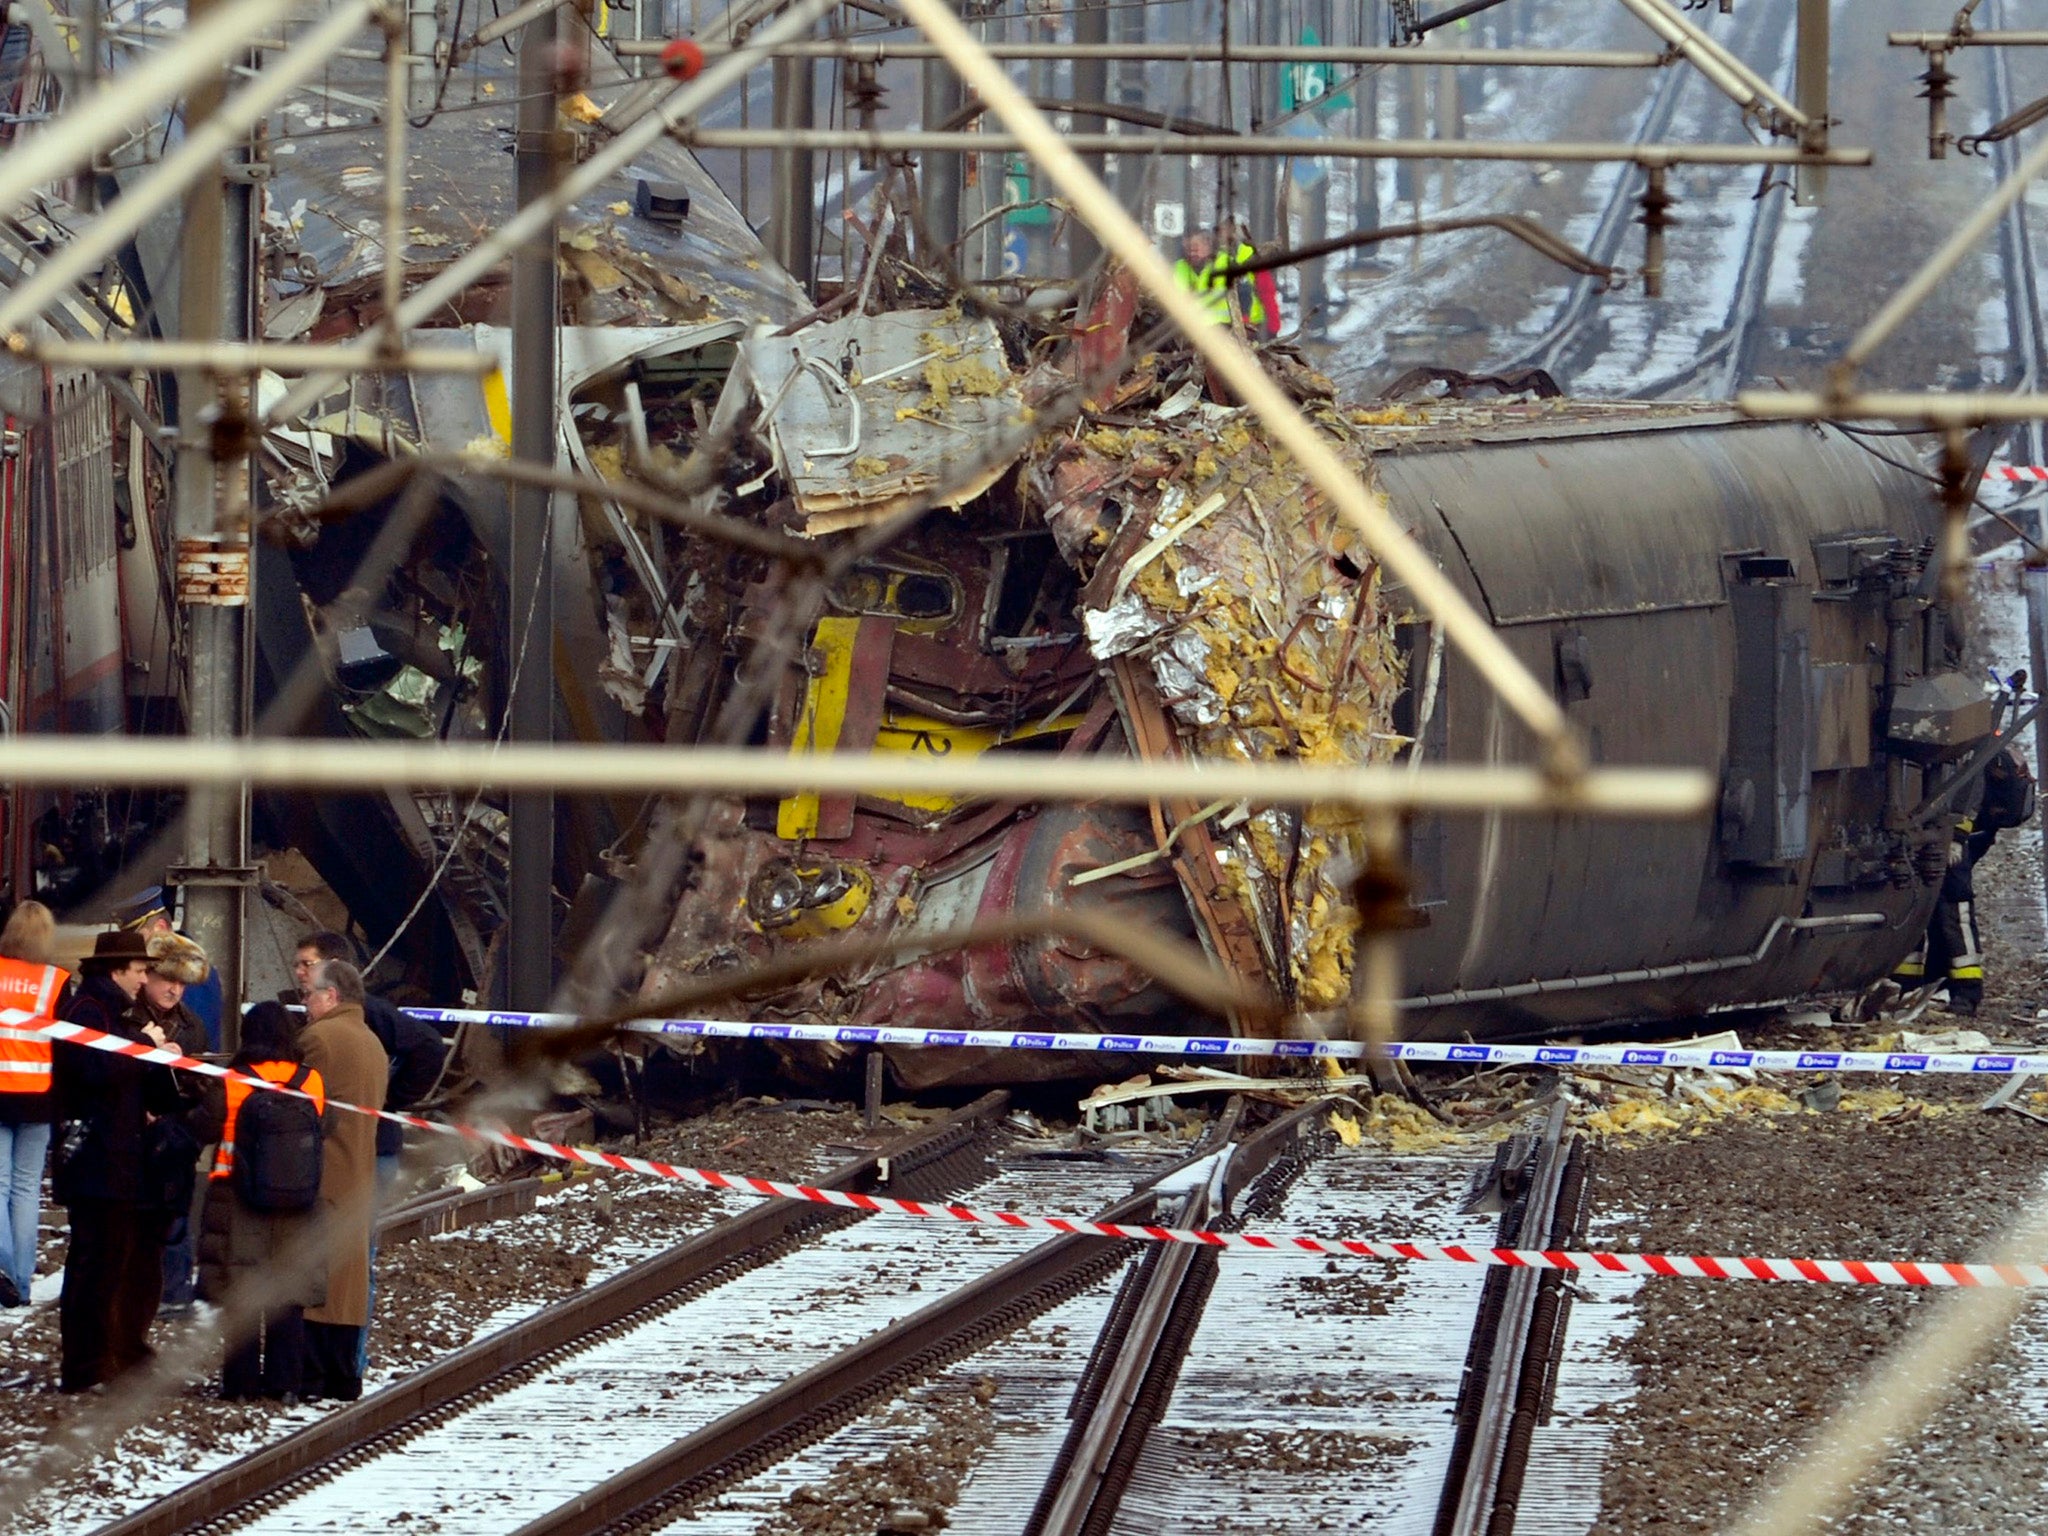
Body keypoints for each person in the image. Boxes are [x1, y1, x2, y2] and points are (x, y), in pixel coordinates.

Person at [293, 932, 442, 1380]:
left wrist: (390, 1100)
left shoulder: (369, 1016)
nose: (299, 973)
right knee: (348, 1258)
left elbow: (429, 1047)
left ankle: (346, 1359)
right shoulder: (347, 1022)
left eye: (307, 965)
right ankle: (342, 1360)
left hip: (364, 1151)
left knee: (355, 1258)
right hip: (358, 1150)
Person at [52, 929, 194, 1392]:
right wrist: (144, 1050)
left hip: (112, 1160)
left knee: (106, 1262)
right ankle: (85, 1365)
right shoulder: (89, 1012)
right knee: (95, 1264)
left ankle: (97, 1360)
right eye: (138, 970)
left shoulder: (108, 1012)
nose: (143, 978)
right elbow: (93, 1070)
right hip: (98, 1161)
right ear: (116, 971)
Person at [191, 1003, 327, 1403]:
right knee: (288, 1292)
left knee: (241, 1292)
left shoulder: (233, 1080)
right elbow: (327, 1125)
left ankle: (241, 1384)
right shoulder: (312, 1080)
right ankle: (285, 1384)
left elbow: (205, 1124)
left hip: (238, 1196)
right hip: (299, 1199)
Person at [296, 959, 386, 1402]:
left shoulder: (320, 1039)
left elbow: (299, 1105)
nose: (305, 1005)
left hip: (324, 1172)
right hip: (359, 1174)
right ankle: (345, 1374)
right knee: (349, 1280)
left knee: (316, 1277)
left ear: (331, 996)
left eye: (308, 996)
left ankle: (312, 1375)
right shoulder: (371, 1042)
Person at [133, 933, 213, 1315]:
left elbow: (205, 1084)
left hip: (175, 1132)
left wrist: (186, 1073)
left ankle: (174, 1291)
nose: (175, 990)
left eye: (181, 983)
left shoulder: (192, 1025)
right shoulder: (128, 1017)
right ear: (147, 975)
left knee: (176, 1214)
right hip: (133, 1131)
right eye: (168, 980)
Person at [0, 902, 66, 1308]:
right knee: (26, 1190)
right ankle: (21, 1284)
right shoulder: (56, 982)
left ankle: (2, 1275)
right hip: (39, 1098)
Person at [111, 887, 224, 1051]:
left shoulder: (192, 969)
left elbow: (196, 1038)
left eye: (137, 937)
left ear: (160, 927)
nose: (132, 948)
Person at [1170, 225, 1271, 335]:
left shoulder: (1227, 264)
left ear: (1208, 245)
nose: (1192, 253)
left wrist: (1246, 326)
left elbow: (1246, 296)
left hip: (1231, 334)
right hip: (1192, 337)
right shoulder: (1177, 269)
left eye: (1195, 248)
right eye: (1187, 248)